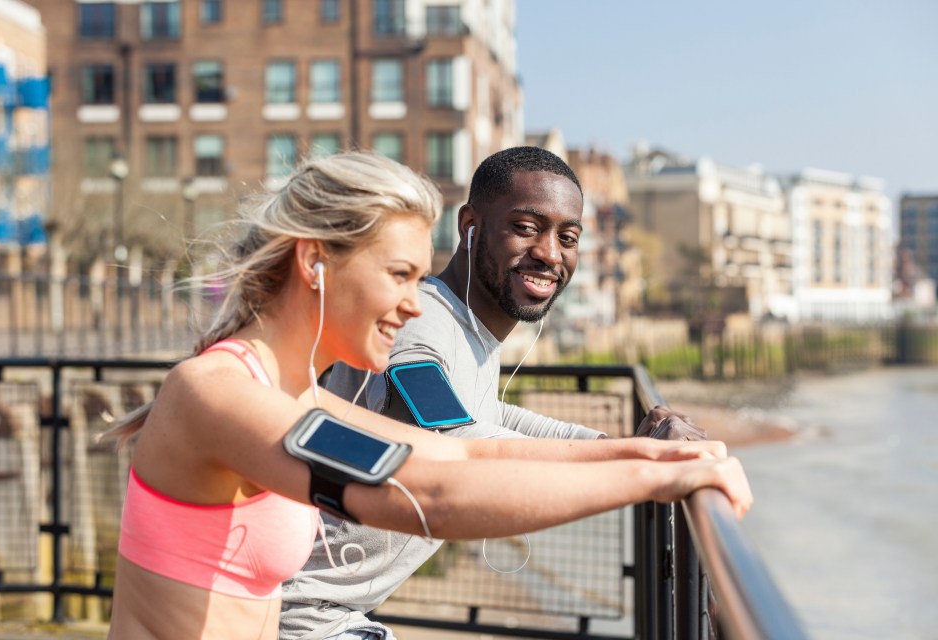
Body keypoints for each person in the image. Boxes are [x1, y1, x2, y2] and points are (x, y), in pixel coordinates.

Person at [101, 151, 751, 640]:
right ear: (314, 262)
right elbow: (429, 494)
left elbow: (459, 457)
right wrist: (646, 482)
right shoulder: (218, 394)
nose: (415, 304)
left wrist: (654, 460)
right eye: (398, 276)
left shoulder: (290, 398)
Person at [279, 147, 707, 640]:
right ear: (470, 225)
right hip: (302, 612)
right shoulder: (421, 325)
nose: (550, 252)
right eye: (526, 228)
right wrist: (637, 465)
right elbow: (454, 436)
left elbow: (489, 412)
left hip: (333, 609)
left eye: (567, 237)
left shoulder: (470, 326)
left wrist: (609, 443)